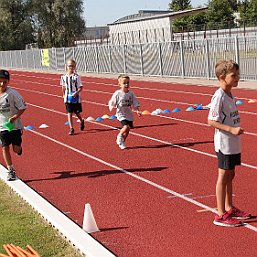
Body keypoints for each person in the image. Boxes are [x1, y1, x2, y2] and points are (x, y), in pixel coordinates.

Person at [208, 60, 251, 227]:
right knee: (223, 176)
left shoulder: (230, 94)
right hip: (224, 142)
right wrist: (230, 129)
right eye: (234, 75)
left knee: (231, 174)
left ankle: (229, 207)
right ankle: (220, 214)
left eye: (237, 74)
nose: (237, 78)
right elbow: (211, 120)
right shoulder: (218, 96)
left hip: (233, 142)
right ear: (222, 77)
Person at [0, 69, 27, 181]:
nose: (2, 84)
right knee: (5, 147)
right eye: (0, 81)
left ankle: (19, 149)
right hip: (2, 126)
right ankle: (11, 170)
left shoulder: (13, 94)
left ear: (8, 82)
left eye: (4, 82)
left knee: (16, 149)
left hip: (14, 126)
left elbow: (23, 107)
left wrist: (15, 117)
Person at [108, 75, 141, 149]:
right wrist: (112, 106)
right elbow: (112, 101)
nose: (126, 84)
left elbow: (135, 102)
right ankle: (119, 135)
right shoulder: (118, 93)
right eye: (124, 83)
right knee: (125, 127)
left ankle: (122, 141)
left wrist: (138, 110)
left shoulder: (131, 93)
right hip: (121, 113)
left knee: (128, 129)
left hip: (129, 114)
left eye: (128, 83)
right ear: (119, 84)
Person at [60, 59, 85, 135]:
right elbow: (63, 87)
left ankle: (82, 120)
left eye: (73, 66)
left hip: (76, 98)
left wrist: (76, 93)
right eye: (70, 66)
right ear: (66, 66)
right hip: (68, 98)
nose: (71, 67)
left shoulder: (76, 77)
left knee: (77, 112)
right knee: (69, 113)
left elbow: (80, 87)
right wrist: (64, 94)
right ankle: (71, 128)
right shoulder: (63, 77)